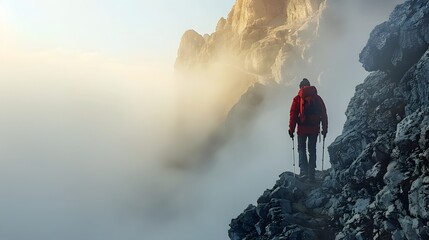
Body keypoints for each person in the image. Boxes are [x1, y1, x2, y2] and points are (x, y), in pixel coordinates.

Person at [288, 78, 328, 182]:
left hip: (302, 129)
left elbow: (293, 115)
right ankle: (311, 174)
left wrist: (291, 130)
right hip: (314, 128)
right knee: (312, 150)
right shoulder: (318, 98)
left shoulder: (298, 99)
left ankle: (303, 172)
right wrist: (325, 129)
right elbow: (324, 114)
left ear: (300, 87)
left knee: (301, 149)